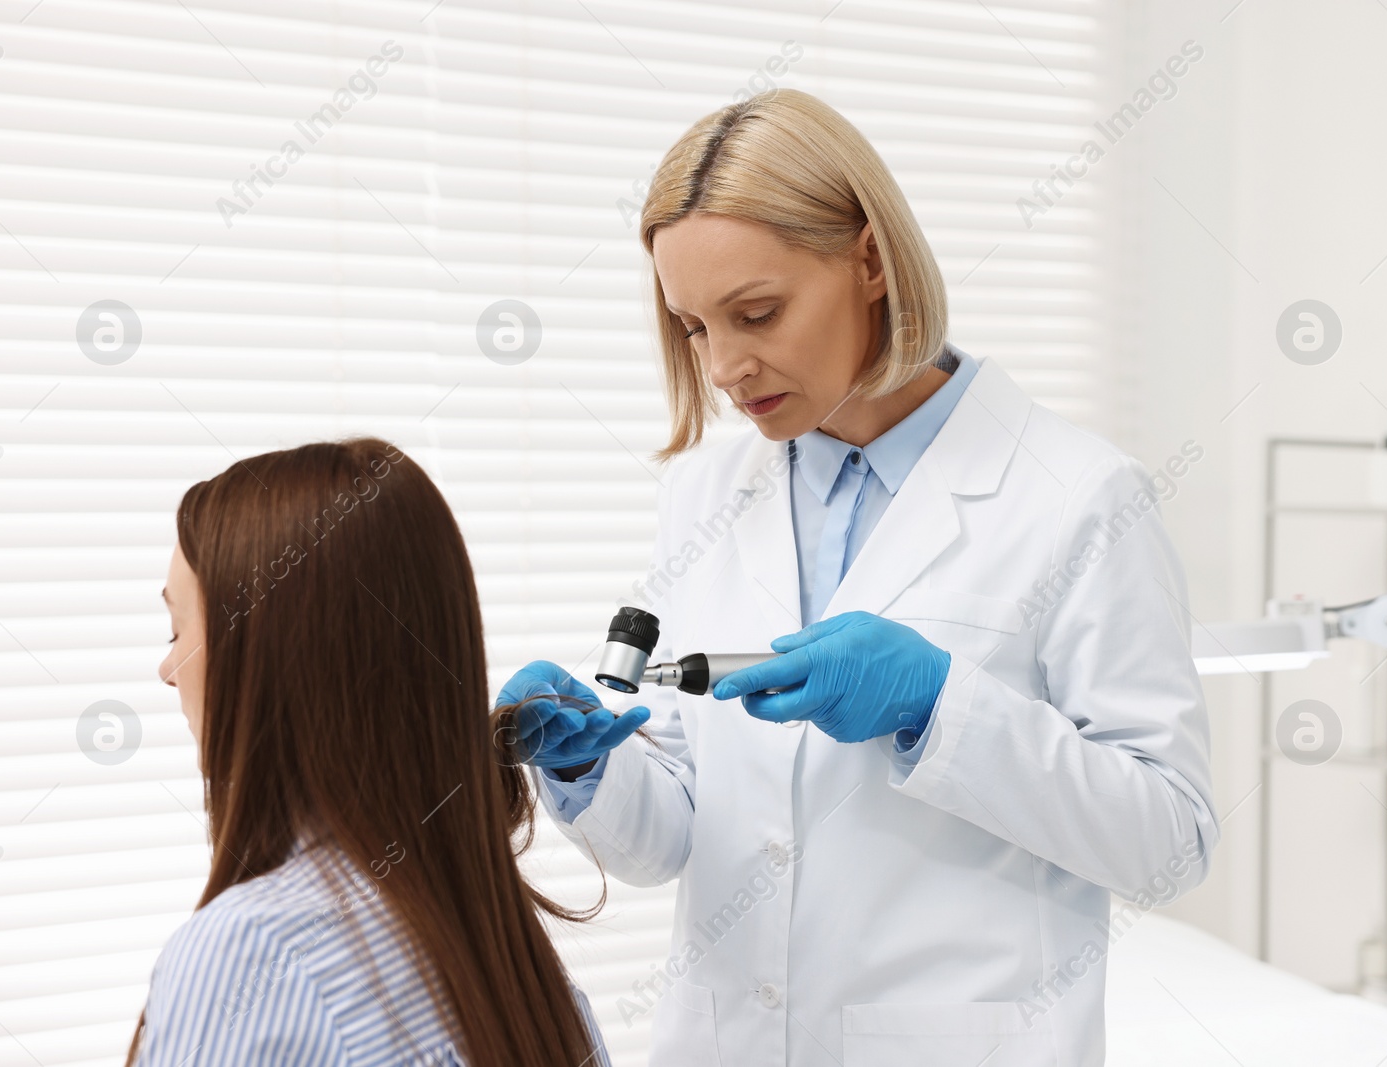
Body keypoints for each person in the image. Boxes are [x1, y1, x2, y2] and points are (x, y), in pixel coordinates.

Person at [496, 90, 1217, 1067]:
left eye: (757, 312)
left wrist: (941, 703)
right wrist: (591, 764)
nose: (726, 366)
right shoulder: (705, 492)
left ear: (870, 260)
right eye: (696, 327)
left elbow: (1168, 839)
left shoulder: (1078, 496)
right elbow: (665, 837)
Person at [132, 437, 611, 1067]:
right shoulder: (525, 977)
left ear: (270, 657)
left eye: (178, 629)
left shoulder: (248, 956)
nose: (168, 669)